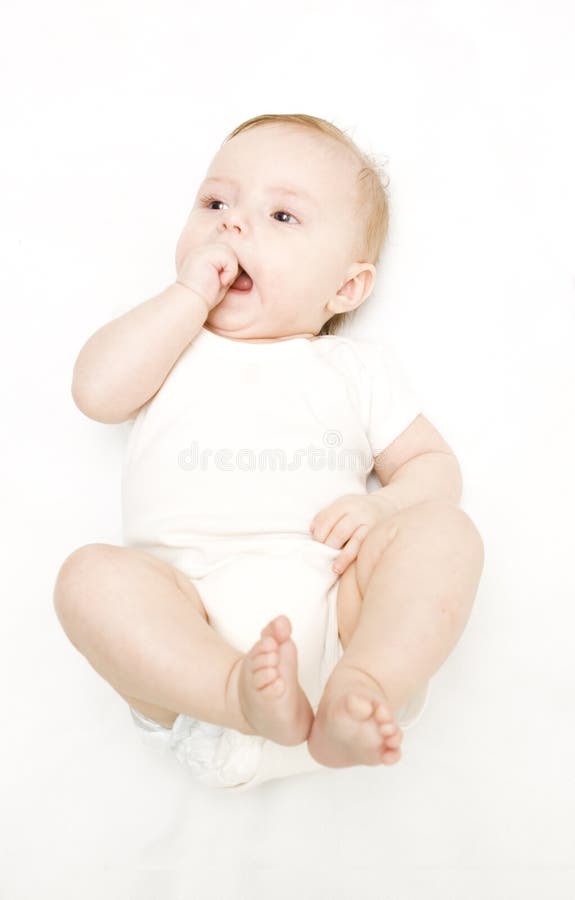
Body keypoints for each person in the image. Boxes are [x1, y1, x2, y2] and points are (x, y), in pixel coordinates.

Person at [53, 113, 485, 791]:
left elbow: (434, 467)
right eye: (215, 203)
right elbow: (96, 393)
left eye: (282, 216)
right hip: (186, 627)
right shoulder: (170, 341)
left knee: (444, 533)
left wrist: (389, 506)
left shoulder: (353, 368)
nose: (233, 224)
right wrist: (186, 297)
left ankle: (366, 682)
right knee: (88, 578)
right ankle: (237, 695)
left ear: (344, 289)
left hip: (334, 607)